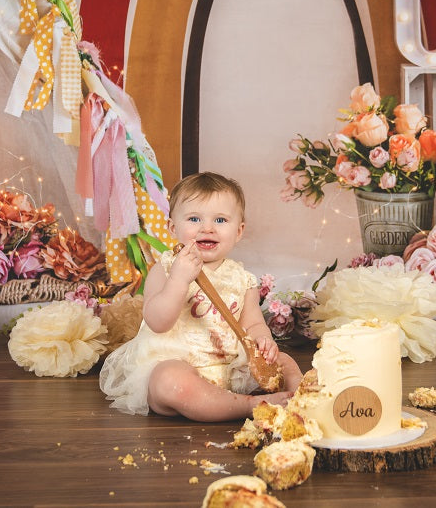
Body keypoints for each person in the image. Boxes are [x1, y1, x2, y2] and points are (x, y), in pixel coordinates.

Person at [99, 172, 303, 420]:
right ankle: (248, 405)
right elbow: (157, 322)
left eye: (220, 220)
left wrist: (263, 341)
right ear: (173, 228)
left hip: (232, 368)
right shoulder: (164, 269)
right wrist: (179, 280)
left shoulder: (242, 278)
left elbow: (253, 323)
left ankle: (302, 398)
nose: (207, 228)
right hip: (179, 363)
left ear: (238, 231)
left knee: (285, 362)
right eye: (194, 218)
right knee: (168, 381)